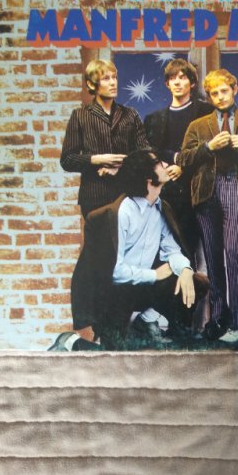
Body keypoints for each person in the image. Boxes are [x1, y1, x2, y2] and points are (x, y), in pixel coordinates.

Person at [48, 150, 209, 352]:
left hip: (145, 287)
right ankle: (70, 342)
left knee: (197, 282)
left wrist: (185, 269)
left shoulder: (161, 207)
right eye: (158, 162)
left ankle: (146, 322)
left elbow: (171, 249)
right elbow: (114, 271)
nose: (166, 164)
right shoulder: (119, 214)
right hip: (116, 294)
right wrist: (155, 274)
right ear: (148, 178)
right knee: (117, 354)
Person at [181, 69, 238, 343]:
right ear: (209, 96)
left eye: (224, 91)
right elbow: (183, 159)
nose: (219, 97)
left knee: (235, 253)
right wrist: (208, 147)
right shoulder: (198, 125)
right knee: (213, 257)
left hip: (235, 188)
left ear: (235, 89)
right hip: (206, 192)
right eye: (214, 93)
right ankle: (218, 320)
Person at [60, 59, 149, 219]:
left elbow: (145, 155)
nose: (113, 83)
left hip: (128, 194)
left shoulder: (130, 114)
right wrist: (97, 159)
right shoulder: (80, 116)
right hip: (95, 196)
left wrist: (122, 165)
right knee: (98, 236)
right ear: (91, 84)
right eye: (106, 78)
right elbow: (67, 160)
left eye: (114, 77)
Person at [144, 58, 213, 259]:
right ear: (167, 84)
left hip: (198, 189)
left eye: (182, 77)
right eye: (172, 78)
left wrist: (183, 166)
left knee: (196, 251)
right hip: (166, 190)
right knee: (167, 249)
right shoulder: (153, 119)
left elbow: (210, 147)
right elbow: (149, 149)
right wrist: (170, 162)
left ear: (192, 83)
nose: (177, 82)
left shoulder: (206, 112)